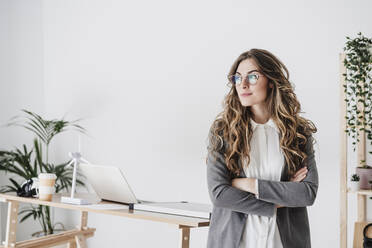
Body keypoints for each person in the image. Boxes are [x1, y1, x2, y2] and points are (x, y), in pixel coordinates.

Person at [206, 48, 318, 248]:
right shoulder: (222, 131)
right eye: (238, 78)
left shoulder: (298, 132)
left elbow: (306, 193)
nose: (243, 84)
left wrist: (247, 184)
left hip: (284, 242)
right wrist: (281, 197)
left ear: (272, 81)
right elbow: (220, 194)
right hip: (235, 242)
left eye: (252, 76)